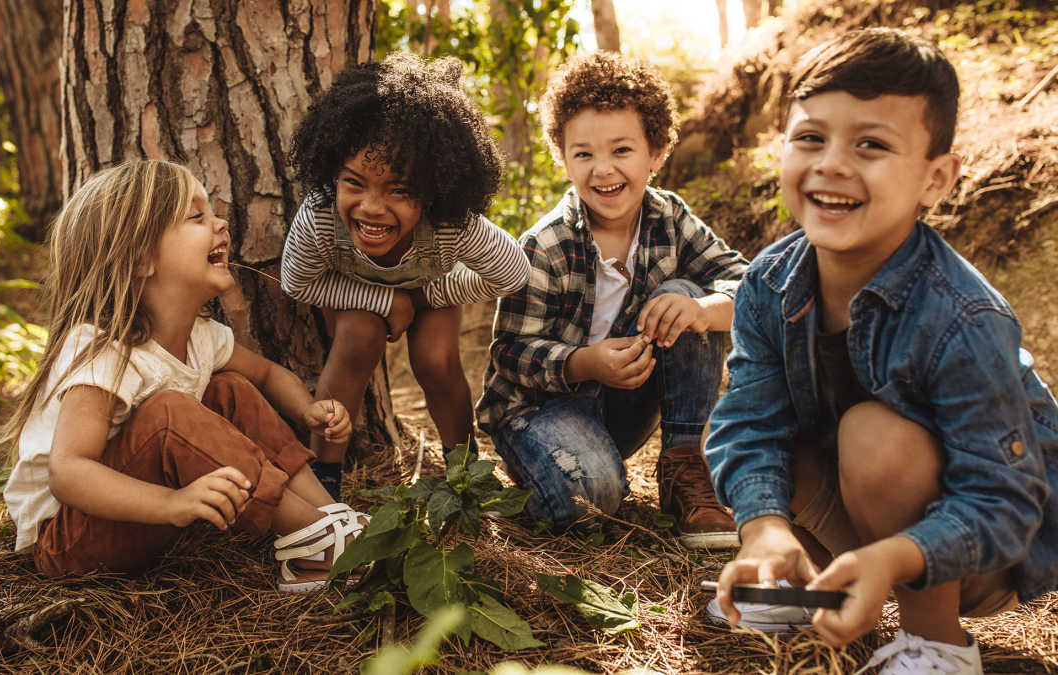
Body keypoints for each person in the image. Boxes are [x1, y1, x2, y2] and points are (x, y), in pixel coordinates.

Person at [705, 28, 1058, 674]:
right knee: (783, 439)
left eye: (871, 144)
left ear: (936, 179)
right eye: (811, 137)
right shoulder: (767, 282)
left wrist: (895, 556)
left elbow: (1004, 498)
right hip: (868, 509)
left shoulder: (962, 315)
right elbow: (748, 422)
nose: (832, 163)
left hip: (979, 545)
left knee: (872, 435)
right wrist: (764, 528)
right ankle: (805, 581)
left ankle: (937, 644)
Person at [1, 160, 366, 592]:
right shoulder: (103, 349)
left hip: (138, 516)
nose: (221, 224)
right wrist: (173, 503)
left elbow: (266, 375)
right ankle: (319, 543)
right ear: (140, 257)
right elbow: (69, 472)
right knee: (170, 412)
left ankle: (327, 517)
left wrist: (307, 409)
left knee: (229, 389)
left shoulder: (203, 337)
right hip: (71, 540)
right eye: (197, 217)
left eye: (212, 212)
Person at [476, 51, 749, 547]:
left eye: (622, 150)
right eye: (583, 154)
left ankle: (684, 465)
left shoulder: (670, 218)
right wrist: (583, 363)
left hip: (624, 404)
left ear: (657, 151)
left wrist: (704, 310)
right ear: (562, 158)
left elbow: (750, 285)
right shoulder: (546, 244)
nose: (603, 170)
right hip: (540, 413)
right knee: (592, 499)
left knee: (684, 297)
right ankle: (562, 476)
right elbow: (510, 353)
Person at [280, 52, 529, 499]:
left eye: (399, 190)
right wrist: (383, 301)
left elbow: (511, 272)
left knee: (436, 359)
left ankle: (464, 475)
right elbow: (297, 282)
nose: (372, 207)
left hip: (429, 290)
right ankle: (323, 487)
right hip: (355, 296)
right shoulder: (319, 217)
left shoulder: (453, 224)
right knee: (358, 337)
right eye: (354, 183)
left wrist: (430, 294)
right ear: (332, 173)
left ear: (433, 192)